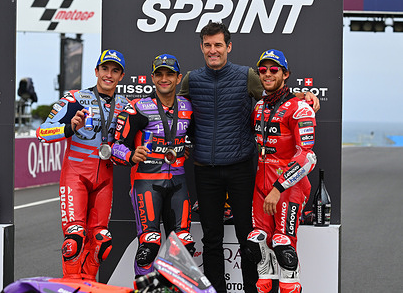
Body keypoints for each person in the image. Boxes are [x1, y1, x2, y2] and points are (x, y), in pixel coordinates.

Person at [178, 22, 320, 293]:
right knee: (211, 240)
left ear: (228, 46)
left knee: (250, 239)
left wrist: (304, 95)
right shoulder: (191, 79)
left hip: (242, 169)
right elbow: (174, 109)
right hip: (204, 170)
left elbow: (274, 97)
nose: (213, 50)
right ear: (201, 47)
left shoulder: (247, 75)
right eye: (207, 45)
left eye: (218, 44)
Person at [36, 50, 130, 281]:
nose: (109, 74)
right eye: (105, 69)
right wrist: (70, 128)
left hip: (105, 179)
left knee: (102, 241)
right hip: (75, 176)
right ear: (96, 71)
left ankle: (87, 284)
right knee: (74, 238)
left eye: (115, 70)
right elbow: (42, 133)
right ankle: (71, 284)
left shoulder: (126, 106)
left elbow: (131, 142)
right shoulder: (74, 99)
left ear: (121, 75)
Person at [111, 54, 195, 277]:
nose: (164, 79)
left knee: (183, 247)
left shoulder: (188, 107)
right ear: (152, 78)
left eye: (169, 74)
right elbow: (115, 146)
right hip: (146, 183)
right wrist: (130, 155)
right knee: (148, 247)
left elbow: (199, 138)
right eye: (159, 74)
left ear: (178, 78)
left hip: (178, 182)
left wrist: (186, 147)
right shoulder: (137, 107)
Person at [246, 49, 317, 293]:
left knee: (283, 246)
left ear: (285, 74)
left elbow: (308, 157)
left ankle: (290, 284)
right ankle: (265, 280)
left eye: (273, 69)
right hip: (261, 184)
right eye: (263, 70)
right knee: (256, 244)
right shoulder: (258, 108)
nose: (267, 74)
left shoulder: (300, 108)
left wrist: (278, 188)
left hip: (288, 188)